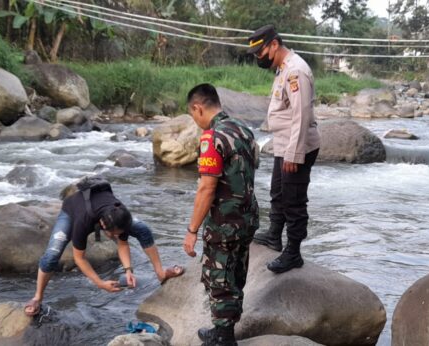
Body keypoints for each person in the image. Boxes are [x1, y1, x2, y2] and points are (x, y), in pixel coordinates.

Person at [24, 176, 184, 316]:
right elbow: (79, 258)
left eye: (117, 233)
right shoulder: (83, 221)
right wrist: (99, 283)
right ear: (102, 225)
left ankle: (160, 273)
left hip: (106, 212)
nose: (115, 236)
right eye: (113, 234)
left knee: (142, 229)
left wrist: (128, 270)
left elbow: (123, 243)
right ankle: (37, 296)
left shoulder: (120, 214)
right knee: (52, 255)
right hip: (71, 211)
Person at [183, 84, 259, 346]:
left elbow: (207, 187)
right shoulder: (244, 130)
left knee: (219, 278)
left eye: (193, 116)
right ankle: (223, 329)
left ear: (198, 108)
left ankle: (223, 339)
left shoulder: (212, 137)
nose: (196, 121)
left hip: (225, 222)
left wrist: (192, 230)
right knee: (236, 271)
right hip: (247, 217)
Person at [247, 25, 321, 274]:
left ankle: (294, 252)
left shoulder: (295, 71)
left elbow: (301, 115)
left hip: (296, 145)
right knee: (278, 192)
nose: (259, 58)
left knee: (294, 199)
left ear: (274, 45)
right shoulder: (282, 69)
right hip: (284, 143)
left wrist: (294, 154)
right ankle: (274, 235)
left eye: (260, 52)